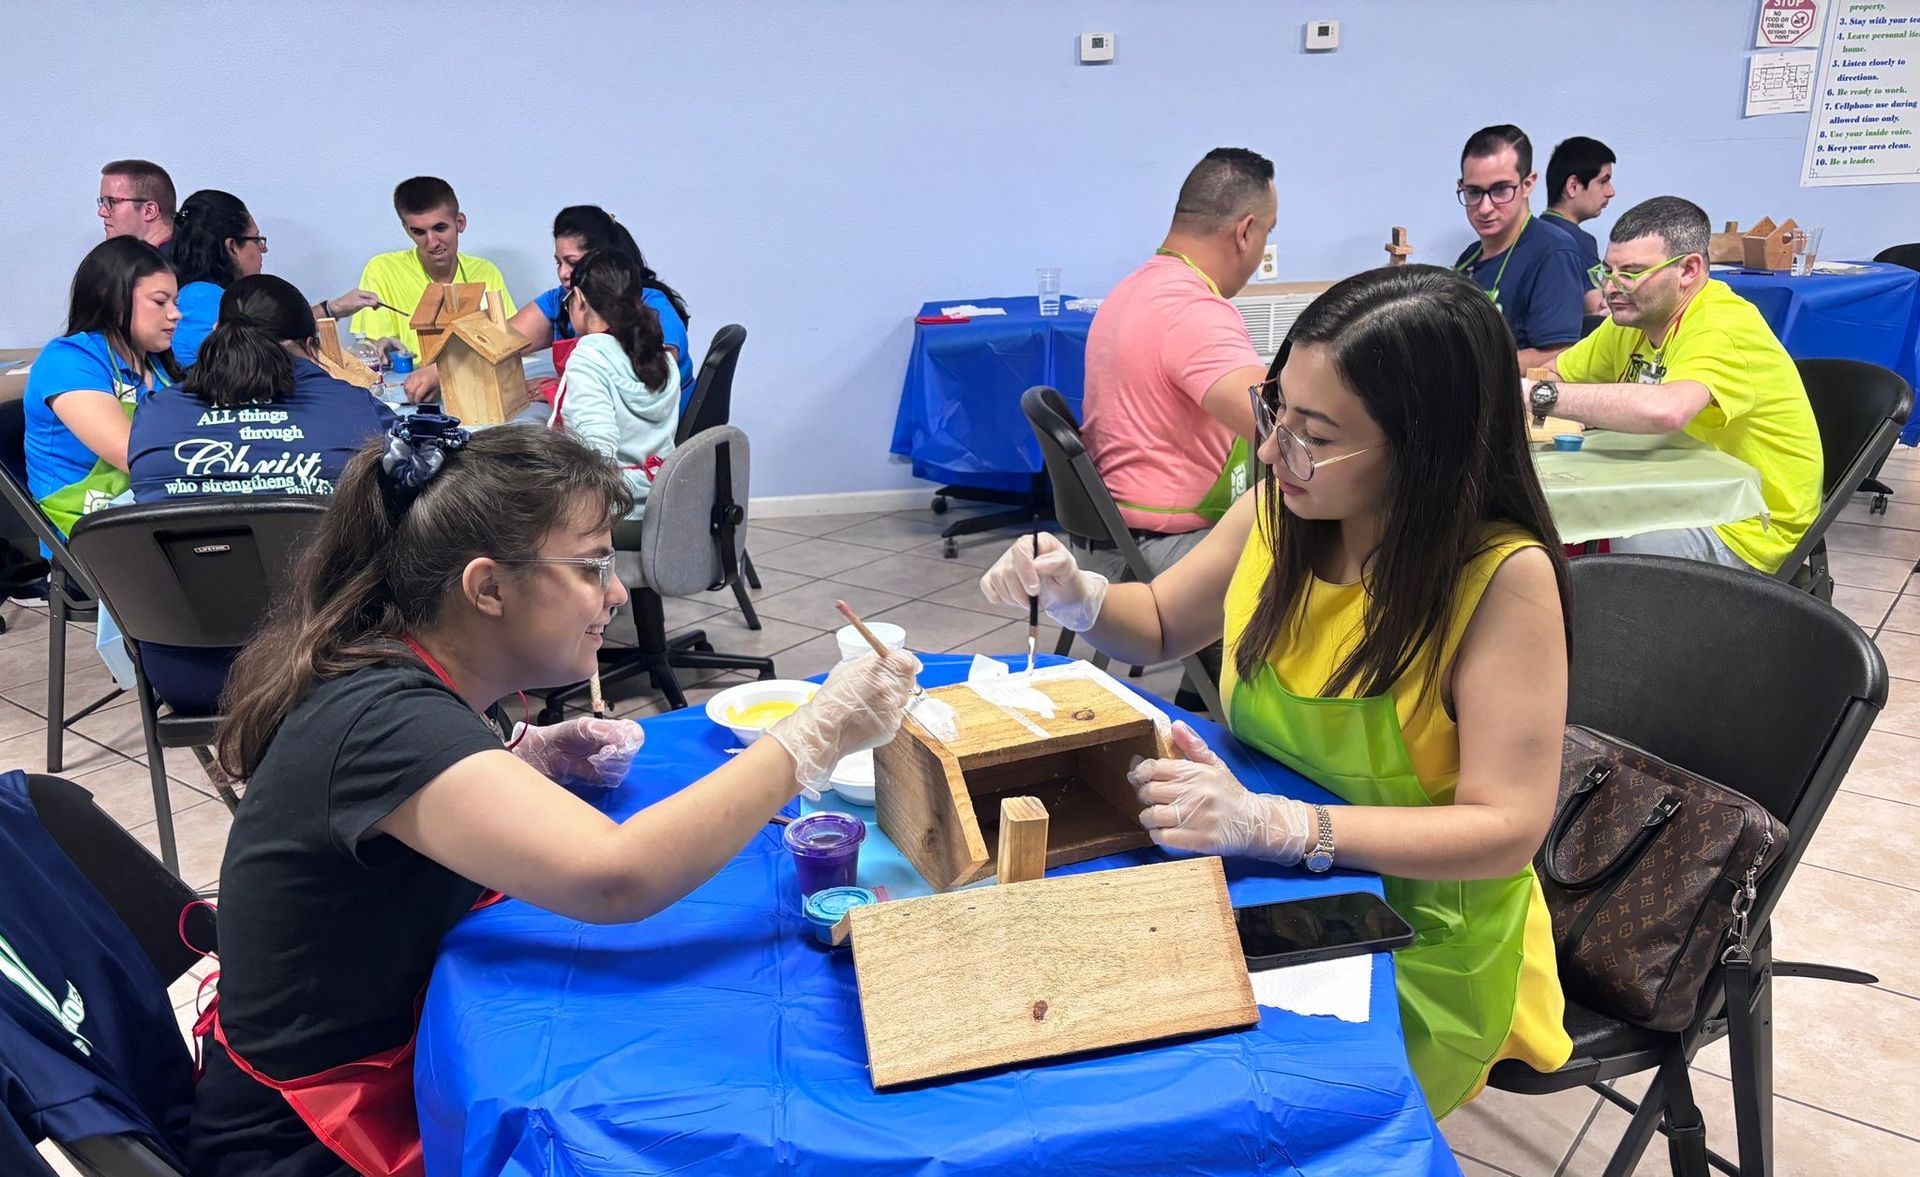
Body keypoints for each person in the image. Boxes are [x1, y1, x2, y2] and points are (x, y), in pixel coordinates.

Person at [189, 420, 920, 1175]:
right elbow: (619, 877)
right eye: (594, 564)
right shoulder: (382, 719)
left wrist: (523, 759)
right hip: (312, 1139)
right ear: (487, 588)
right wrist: (812, 737)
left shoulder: (390, 673)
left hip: (381, 1062)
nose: (616, 592)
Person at [982, 264, 1574, 1119]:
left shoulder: (1501, 582)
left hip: (1416, 941)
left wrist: (1287, 826)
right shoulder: (1281, 512)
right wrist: (1079, 593)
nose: (1269, 452)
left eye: (1314, 434)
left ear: (1425, 446)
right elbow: (1159, 623)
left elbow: (1506, 829)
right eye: (1276, 413)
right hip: (1268, 886)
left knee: (1191, 1102)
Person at [125, 273, 397, 715]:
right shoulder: (354, 408)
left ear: (217, 334)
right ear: (312, 347)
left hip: (188, 672)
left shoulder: (155, 415)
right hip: (336, 664)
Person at [1528, 196, 1820, 574]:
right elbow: (1553, 373)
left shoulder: (1722, 325)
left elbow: (1666, 410)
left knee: (1630, 544)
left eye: (1632, 272)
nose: (1611, 288)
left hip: (1749, 524)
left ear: (1688, 270)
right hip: (1684, 490)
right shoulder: (1632, 320)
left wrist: (1541, 397)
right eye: (1607, 272)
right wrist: (1545, 403)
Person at [1078, 147, 1274, 581]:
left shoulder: (1133, 289)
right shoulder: (1192, 310)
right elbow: (1283, 428)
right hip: (1159, 553)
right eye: (1268, 232)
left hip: (1114, 540)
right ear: (1245, 232)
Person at [24, 237, 180, 536]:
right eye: (160, 302)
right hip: (90, 533)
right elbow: (135, 456)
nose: (175, 314)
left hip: (154, 514)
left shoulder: (159, 367)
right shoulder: (66, 361)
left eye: (176, 303)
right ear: (114, 300)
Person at [548, 250, 680, 545]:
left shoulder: (589, 356)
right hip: (663, 503)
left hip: (617, 515)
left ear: (579, 299)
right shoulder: (659, 356)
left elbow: (593, 456)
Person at [168, 190, 378, 367]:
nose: (264, 249)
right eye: (256, 240)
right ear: (232, 247)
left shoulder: (204, 294)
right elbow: (265, 349)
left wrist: (332, 308)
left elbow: (274, 330)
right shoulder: (203, 299)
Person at [513, 205, 696, 397]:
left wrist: (562, 388)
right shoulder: (561, 299)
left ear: (604, 261)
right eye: (558, 263)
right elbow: (501, 343)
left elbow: (652, 384)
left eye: (572, 263)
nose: (562, 273)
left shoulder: (653, 305)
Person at [1452, 126, 1586, 369]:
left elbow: (1558, 355)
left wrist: (1469, 370)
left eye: (1500, 190)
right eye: (1473, 192)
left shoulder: (1554, 252)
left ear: (1528, 184)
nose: (1485, 208)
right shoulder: (1469, 257)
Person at [348, 176, 516, 367]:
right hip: (412, 381)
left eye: (440, 228)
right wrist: (383, 348)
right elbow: (373, 348)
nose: (432, 242)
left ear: (460, 223)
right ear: (406, 230)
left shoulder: (486, 271)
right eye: (418, 232)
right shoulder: (381, 270)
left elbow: (508, 340)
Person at [1540, 136, 1616, 315]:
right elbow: (1597, 310)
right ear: (1573, 186)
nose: (1611, 192)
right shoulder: (1577, 242)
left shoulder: (1531, 236)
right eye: (1603, 181)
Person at [97, 160, 176, 257]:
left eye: (112, 201)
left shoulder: (173, 264)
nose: (101, 212)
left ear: (149, 211)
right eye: (103, 201)